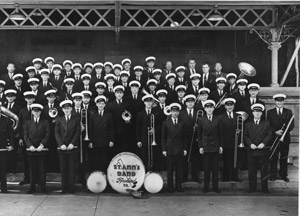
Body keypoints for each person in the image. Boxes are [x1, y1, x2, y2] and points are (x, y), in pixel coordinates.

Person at [244, 103, 272, 193]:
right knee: (252, 171)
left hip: (263, 150)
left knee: (264, 170)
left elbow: (269, 135)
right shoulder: (248, 124)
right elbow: (245, 136)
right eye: (255, 111)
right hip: (252, 150)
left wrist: (263, 143)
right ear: (252, 113)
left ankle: (265, 188)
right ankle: (252, 188)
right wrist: (250, 144)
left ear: (262, 113)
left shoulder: (266, 123)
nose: (257, 113)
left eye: (259, 111)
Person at [55, 100, 80, 194]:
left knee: (72, 168)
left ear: (71, 109)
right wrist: (61, 144)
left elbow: (77, 132)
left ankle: (71, 188)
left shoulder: (76, 119)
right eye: (65, 109)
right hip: (62, 148)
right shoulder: (59, 119)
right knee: (63, 168)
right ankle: (64, 188)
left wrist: (72, 144)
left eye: (68, 108)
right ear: (62, 109)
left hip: (71, 147)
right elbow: (57, 133)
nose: (67, 110)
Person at [268, 94, 294, 182]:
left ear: (283, 101)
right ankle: (273, 175)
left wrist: (283, 132)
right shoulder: (270, 112)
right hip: (274, 137)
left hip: (285, 137)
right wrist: (275, 132)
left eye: (281, 101)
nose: (279, 102)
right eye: (277, 101)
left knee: (284, 157)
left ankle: (283, 175)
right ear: (275, 101)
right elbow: (269, 125)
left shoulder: (288, 111)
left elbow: (291, 125)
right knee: (273, 157)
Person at [24, 103, 50, 194]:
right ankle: (32, 187)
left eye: (38, 111)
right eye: (35, 111)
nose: (36, 113)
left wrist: (42, 145)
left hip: (41, 149)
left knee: (42, 169)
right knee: (32, 169)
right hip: (31, 149)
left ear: (40, 112)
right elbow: (26, 136)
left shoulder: (45, 122)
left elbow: (47, 135)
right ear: (32, 112)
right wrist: (30, 146)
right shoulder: (28, 122)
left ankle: (43, 187)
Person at [162, 103, 187, 192]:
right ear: (170, 112)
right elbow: (163, 137)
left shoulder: (182, 123)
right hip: (170, 149)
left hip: (179, 149)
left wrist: (184, 148)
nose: (175, 113)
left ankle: (178, 187)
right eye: (173, 111)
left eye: (176, 111)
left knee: (179, 169)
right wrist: (164, 149)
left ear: (179, 112)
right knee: (170, 169)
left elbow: (184, 137)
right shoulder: (165, 123)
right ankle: (170, 187)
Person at [198, 100, 222, 193]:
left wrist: (221, 146)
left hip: (215, 146)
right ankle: (206, 187)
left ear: (213, 108)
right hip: (206, 146)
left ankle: (216, 187)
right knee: (206, 169)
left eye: (211, 107)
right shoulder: (201, 119)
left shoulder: (217, 119)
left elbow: (220, 134)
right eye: (207, 107)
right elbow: (199, 135)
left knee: (215, 169)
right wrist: (200, 146)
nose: (209, 109)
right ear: (204, 109)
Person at [88, 95, 114, 171]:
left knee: (105, 159)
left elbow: (112, 129)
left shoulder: (109, 115)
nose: (101, 105)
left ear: (105, 105)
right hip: (96, 141)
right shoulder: (93, 116)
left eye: (102, 104)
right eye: (99, 104)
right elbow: (90, 129)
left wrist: (111, 140)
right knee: (96, 159)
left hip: (106, 141)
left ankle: (105, 176)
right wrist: (90, 141)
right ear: (96, 104)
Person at [219, 98, 241, 182]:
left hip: (236, 142)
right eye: (228, 105)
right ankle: (226, 177)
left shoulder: (238, 116)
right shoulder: (221, 117)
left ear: (234, 106)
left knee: (236, 160)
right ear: (225, 106)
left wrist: (239, 132)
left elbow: (242, 129)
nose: (230, 107)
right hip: (225, 142)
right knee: (226, 160)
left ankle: (235, 176)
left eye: (231, 105)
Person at [180, 94, 201, 183]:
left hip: (195, 140)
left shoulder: (198, 113)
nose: (190, 103)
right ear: (185, 103)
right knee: (184, 159)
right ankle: (184, 177)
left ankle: (195, 177)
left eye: (192, 102)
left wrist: (198, 127)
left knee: (195, 160)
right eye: (188, 102)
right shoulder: (181, 113)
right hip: (184, 140)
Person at [18, 91, 36, 186]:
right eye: (28, 98)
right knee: (26, 159)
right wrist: (21, 138)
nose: (29, 100)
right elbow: (20, 125)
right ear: (25, 99)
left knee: (36, 159)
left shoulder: (38, 109)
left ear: (34, 99)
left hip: (36, 138)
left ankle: (36, 178)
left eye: (31, 98)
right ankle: (27, 178)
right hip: (25, 138)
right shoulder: (22, 110)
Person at [136, 94, 157, 170]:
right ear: (144, 103)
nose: (148, 103)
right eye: (147, 102)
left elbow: (160, 126)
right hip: (143, 139)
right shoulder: (140, 114)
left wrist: (155, 130)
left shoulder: (156, 113)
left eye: (150, 102)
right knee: (144, 157)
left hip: (153, 139)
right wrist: (138, 140)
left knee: (153, 157)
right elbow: (137, 128)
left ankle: (152, 174)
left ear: (152, 103)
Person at [0, 107, 15, 193]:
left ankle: (4, 188)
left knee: (2, 169)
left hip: (2, 148)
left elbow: (11, 134)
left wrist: (12, 145)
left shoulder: (6, 120)